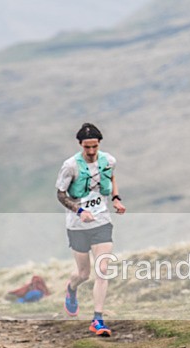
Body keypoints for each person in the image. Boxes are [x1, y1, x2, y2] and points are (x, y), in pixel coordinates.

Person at [56, 123, 126, 336]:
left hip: (102, 222)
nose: (92, 151)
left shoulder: (109, 160)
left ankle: (98, 319)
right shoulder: (70, 166)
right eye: (87, 147)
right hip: (77, 226)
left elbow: (111, 176)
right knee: (84, 273)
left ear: (99, 144)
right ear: (80, 145)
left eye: (95, 146)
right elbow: (60, 194)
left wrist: (115, 198)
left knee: (103, 269)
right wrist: (79, 211)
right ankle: (71, 289)